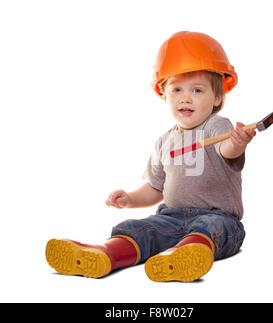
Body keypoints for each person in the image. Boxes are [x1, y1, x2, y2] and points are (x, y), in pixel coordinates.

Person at [46, 31, 256, 282]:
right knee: (139, 229)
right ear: (164, 94)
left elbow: (227, 151)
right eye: (177, 89)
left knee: (212, 229)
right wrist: (130, 199)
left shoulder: (217, 126)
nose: (185, 97)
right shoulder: (164, 142)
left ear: (218, 97)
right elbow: (156, 188)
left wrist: (237, 143)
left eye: (197, 90)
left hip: (218, 217)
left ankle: (185, 254)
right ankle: (104, 254)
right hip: (171, 217)